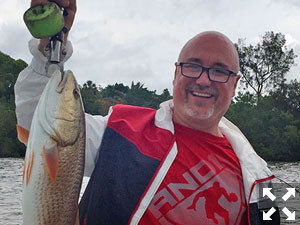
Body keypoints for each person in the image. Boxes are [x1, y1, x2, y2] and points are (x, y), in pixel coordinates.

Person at [15, 0, 280, 224]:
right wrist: (49, 46)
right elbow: (39, 119)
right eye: (192, 66)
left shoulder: (259, 173)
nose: (203, 79)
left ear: (234, 85)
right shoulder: (120, 129)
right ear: (176, 73)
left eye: (220, 71)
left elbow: (287, 216)